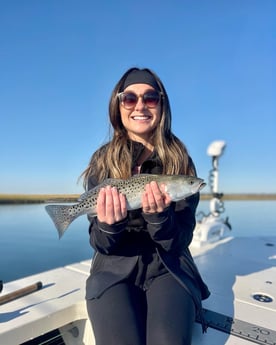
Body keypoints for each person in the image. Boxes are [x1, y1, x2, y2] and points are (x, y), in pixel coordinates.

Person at [81, 67, 210, 345]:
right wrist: (108, 224)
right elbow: (100, 243)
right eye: (129, 98)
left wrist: (159, 219)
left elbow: (181, 239)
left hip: (169, 267)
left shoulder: (180, 161)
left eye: (151, 98)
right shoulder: (102, 160)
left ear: (162, 105)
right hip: (113, 269)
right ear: (119, 106)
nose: (140, 105)